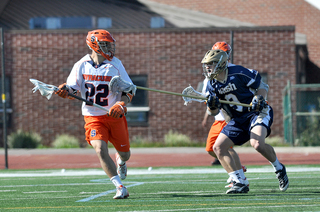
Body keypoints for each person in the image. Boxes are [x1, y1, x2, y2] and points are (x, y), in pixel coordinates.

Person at [55, 29, 135, 199]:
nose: (109, 48)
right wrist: (64, 91)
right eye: (104, 44)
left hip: (114, 116)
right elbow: (72, 89)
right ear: (94, 44)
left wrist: (121, 104)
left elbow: (130, 91)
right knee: (100, 149)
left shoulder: (116, 65)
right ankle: (120, 187)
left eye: (109, 44)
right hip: (93, 117)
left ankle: (121, 160)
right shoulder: (81, 65)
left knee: (125, 154)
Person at [201, 49, 289, 194]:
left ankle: (279, 168)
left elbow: (262, 86)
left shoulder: (238, 72)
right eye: (206, 64)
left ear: (221, 63)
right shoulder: (211, 84)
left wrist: (259, 97)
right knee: (218, 148)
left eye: (211, 63)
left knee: (257, 144)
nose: (207, 67)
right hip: (236, 119)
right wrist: (212, 105)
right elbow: (214, 113)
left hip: (255, 113)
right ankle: (239, 181)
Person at [201, 42, 248, 188]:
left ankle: (238, 174)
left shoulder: (233, 71)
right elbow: (208, 101)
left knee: (221, 148)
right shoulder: (209, 77)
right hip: (219, 118)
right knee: (211, 148)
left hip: (229, 117)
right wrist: (206, 115)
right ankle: (237, 170)